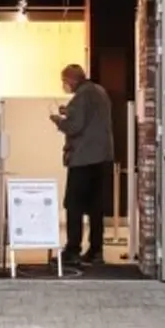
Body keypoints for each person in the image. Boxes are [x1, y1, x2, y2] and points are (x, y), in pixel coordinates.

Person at [49, 64, 114, 266]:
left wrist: (58, 120)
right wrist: (68, 110)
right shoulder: (99, 90)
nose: (64, 85)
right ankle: (96, 251)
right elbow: (90, 116)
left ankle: (72, 250)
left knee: (74, 206)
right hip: (103, 158)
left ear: (72, 80)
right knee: (96, 208)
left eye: (64, 81)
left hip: (83, 160)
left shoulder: (81, 96)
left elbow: (75, 127)